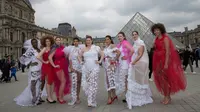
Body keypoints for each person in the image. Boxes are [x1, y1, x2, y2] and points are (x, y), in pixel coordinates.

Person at [151, 23, 186, 105]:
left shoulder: (165, 38)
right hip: (157, 61)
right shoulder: (156, 39)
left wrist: (166, 64)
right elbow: (154, 48)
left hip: (164, 60)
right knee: (161, 80)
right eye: (154, 30)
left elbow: (168, 52)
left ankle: (167, 97)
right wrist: (154, 44)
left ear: (161, 30)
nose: (156, 31)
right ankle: (167, 96)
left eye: (157, 30)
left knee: (165, 80)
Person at [126, 31, 153, 109]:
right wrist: (127, 57)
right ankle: (138, 96)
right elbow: (132, 52)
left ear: (138, 35)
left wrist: (133, 62)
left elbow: (140, 54)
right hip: (137, 63)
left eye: (135, 34)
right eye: (133, 34)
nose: (134, 36)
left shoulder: (140, 43)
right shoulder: (135, 43)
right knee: (137, 80)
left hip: (140, 63)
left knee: (138, 80)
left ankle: (140, 97)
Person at [14, 38, 43, 106]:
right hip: (34, 69)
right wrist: (30, 63)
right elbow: (23, 58)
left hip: (41, 68)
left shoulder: (39, 50)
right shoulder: (30, 50)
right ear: (31, 44)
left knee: (39, 83)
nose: (34, 43)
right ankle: (34, 98)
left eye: (35, 42)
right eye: (33, 42)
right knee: (33, 83)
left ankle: (38, 97)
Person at [79, 35, 104, 107]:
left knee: (93, 83)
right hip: (86, 68)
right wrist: (81, 62)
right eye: (87, 40)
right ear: (85, 42)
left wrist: (100, 61)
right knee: (89, 84)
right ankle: (92, 99)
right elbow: (79, 56)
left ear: (92, 41)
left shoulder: (96, 47)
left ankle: (90, 101)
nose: (88, 41)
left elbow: (102, 54)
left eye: (89, 40)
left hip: (95, 68)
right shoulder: (83, 49)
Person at [48, 37, 71, 104]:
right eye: (57, 40)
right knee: (63, 81)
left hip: (64, 65)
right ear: (55, 41)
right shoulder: (54, 48)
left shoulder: (63, 47)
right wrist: (54, 65)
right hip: (58, 66)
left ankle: (60, 96)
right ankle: (60, 98)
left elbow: (66, 57)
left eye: (59, 40)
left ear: (61, 41)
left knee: (62, 82)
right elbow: (50, 57)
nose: (58, 41)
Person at [37, 36, 56, 103]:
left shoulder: (52, 48)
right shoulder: (44, 48)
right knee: (48, 82)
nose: (47, 42)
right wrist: (44, 62)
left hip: (52, 66)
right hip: (46, 66)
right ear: (44, 42)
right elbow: (38, 56)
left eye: (49, 41)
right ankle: (49, 97)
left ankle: (51, 96)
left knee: (52, 82)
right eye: (46, 41)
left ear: (51, 42)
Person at [115, 32, 134, 103]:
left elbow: (132, 50)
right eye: (118, 36)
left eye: (120, 36)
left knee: (125, 81)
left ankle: (128, 96)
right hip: (121, 63)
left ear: (124, 37)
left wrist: (127, 56)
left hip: (125, 64)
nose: (119, 37)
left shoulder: (125, 43)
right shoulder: (119, 44)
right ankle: (127, 96)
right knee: (125, 81)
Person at [65, 38, 83, 105]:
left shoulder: (81, 49)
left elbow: (82, 58)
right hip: (74, 68)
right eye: (74, 41)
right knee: (74, 82)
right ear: (73, 42)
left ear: (78, 42)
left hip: (80, 67)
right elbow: (70, 59)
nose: (75, 42)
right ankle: (73, 97)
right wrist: (71, 67)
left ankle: (77, 96)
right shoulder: (71, 49)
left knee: (79, 82)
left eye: (76, 41)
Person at [103, 35, 119, 105]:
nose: (107, 41)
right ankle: (114, 95)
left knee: (109, 81)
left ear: (110, 40)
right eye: (106, 39)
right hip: (106, 65)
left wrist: (114, 60)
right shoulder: (105, 47)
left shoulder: (112, 46)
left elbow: (119, 53)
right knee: (110, 80)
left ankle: (109, 97)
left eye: (108, 39)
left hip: (111, 65)